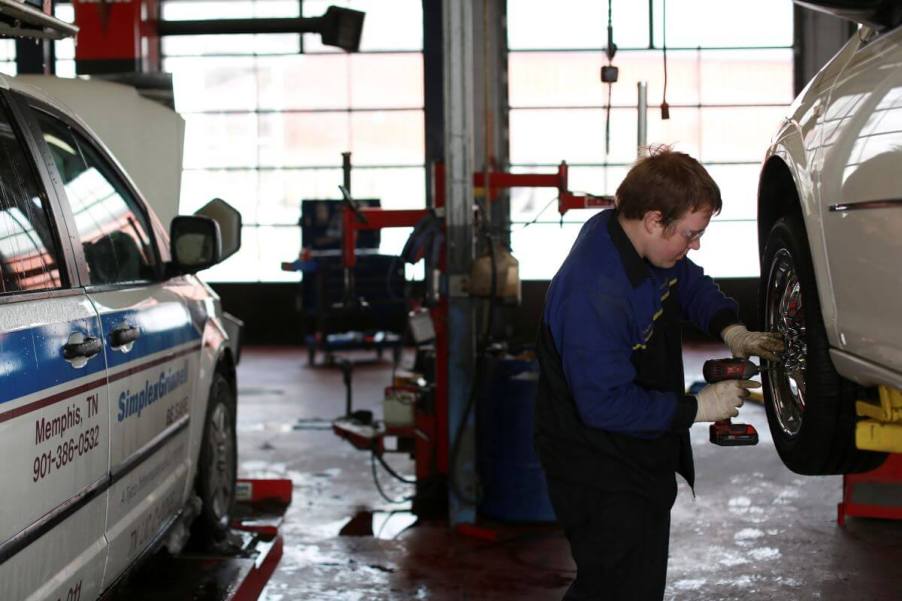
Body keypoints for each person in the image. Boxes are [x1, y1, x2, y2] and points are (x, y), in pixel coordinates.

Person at [534, 146, 783, 601]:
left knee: (640, 583)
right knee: (613, 586)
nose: (695, 244)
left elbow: (686, 281)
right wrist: (697, 406)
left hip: (639, 451)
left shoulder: (639, 243)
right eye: (690, 234)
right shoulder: (594, 293)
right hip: (595, 463)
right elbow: (604, 404)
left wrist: (729, 327)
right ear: (653, 219)